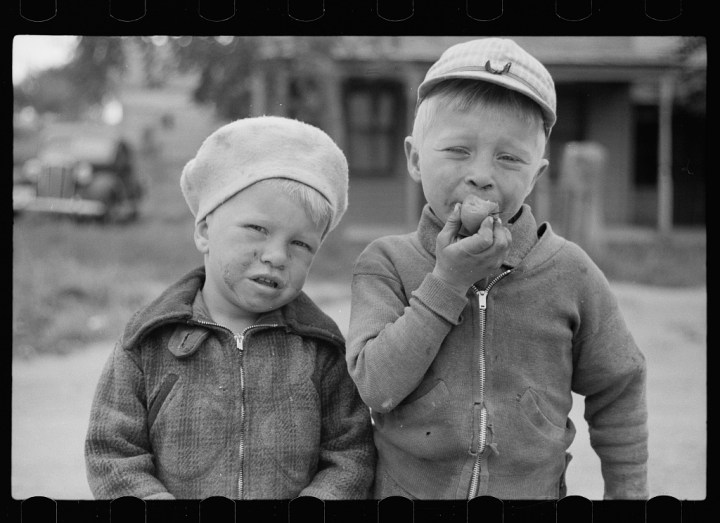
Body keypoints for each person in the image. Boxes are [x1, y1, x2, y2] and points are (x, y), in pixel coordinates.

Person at [346, 38, 648, 500]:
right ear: (414, 158)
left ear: (536, 175)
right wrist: (448, 282)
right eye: (458, 150)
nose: (482, 174)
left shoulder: (571, 271)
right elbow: (376, 387)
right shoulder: (385, 264)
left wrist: (628, 495)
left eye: (509, 158)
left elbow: (620, 386)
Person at [85, 116, 376, 500]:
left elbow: (350, 453)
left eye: (300, 244)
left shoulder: (321, 348)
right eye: (257, 229)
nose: (275, 256)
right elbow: (112, 453)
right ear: (204, 231)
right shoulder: (147, 340)